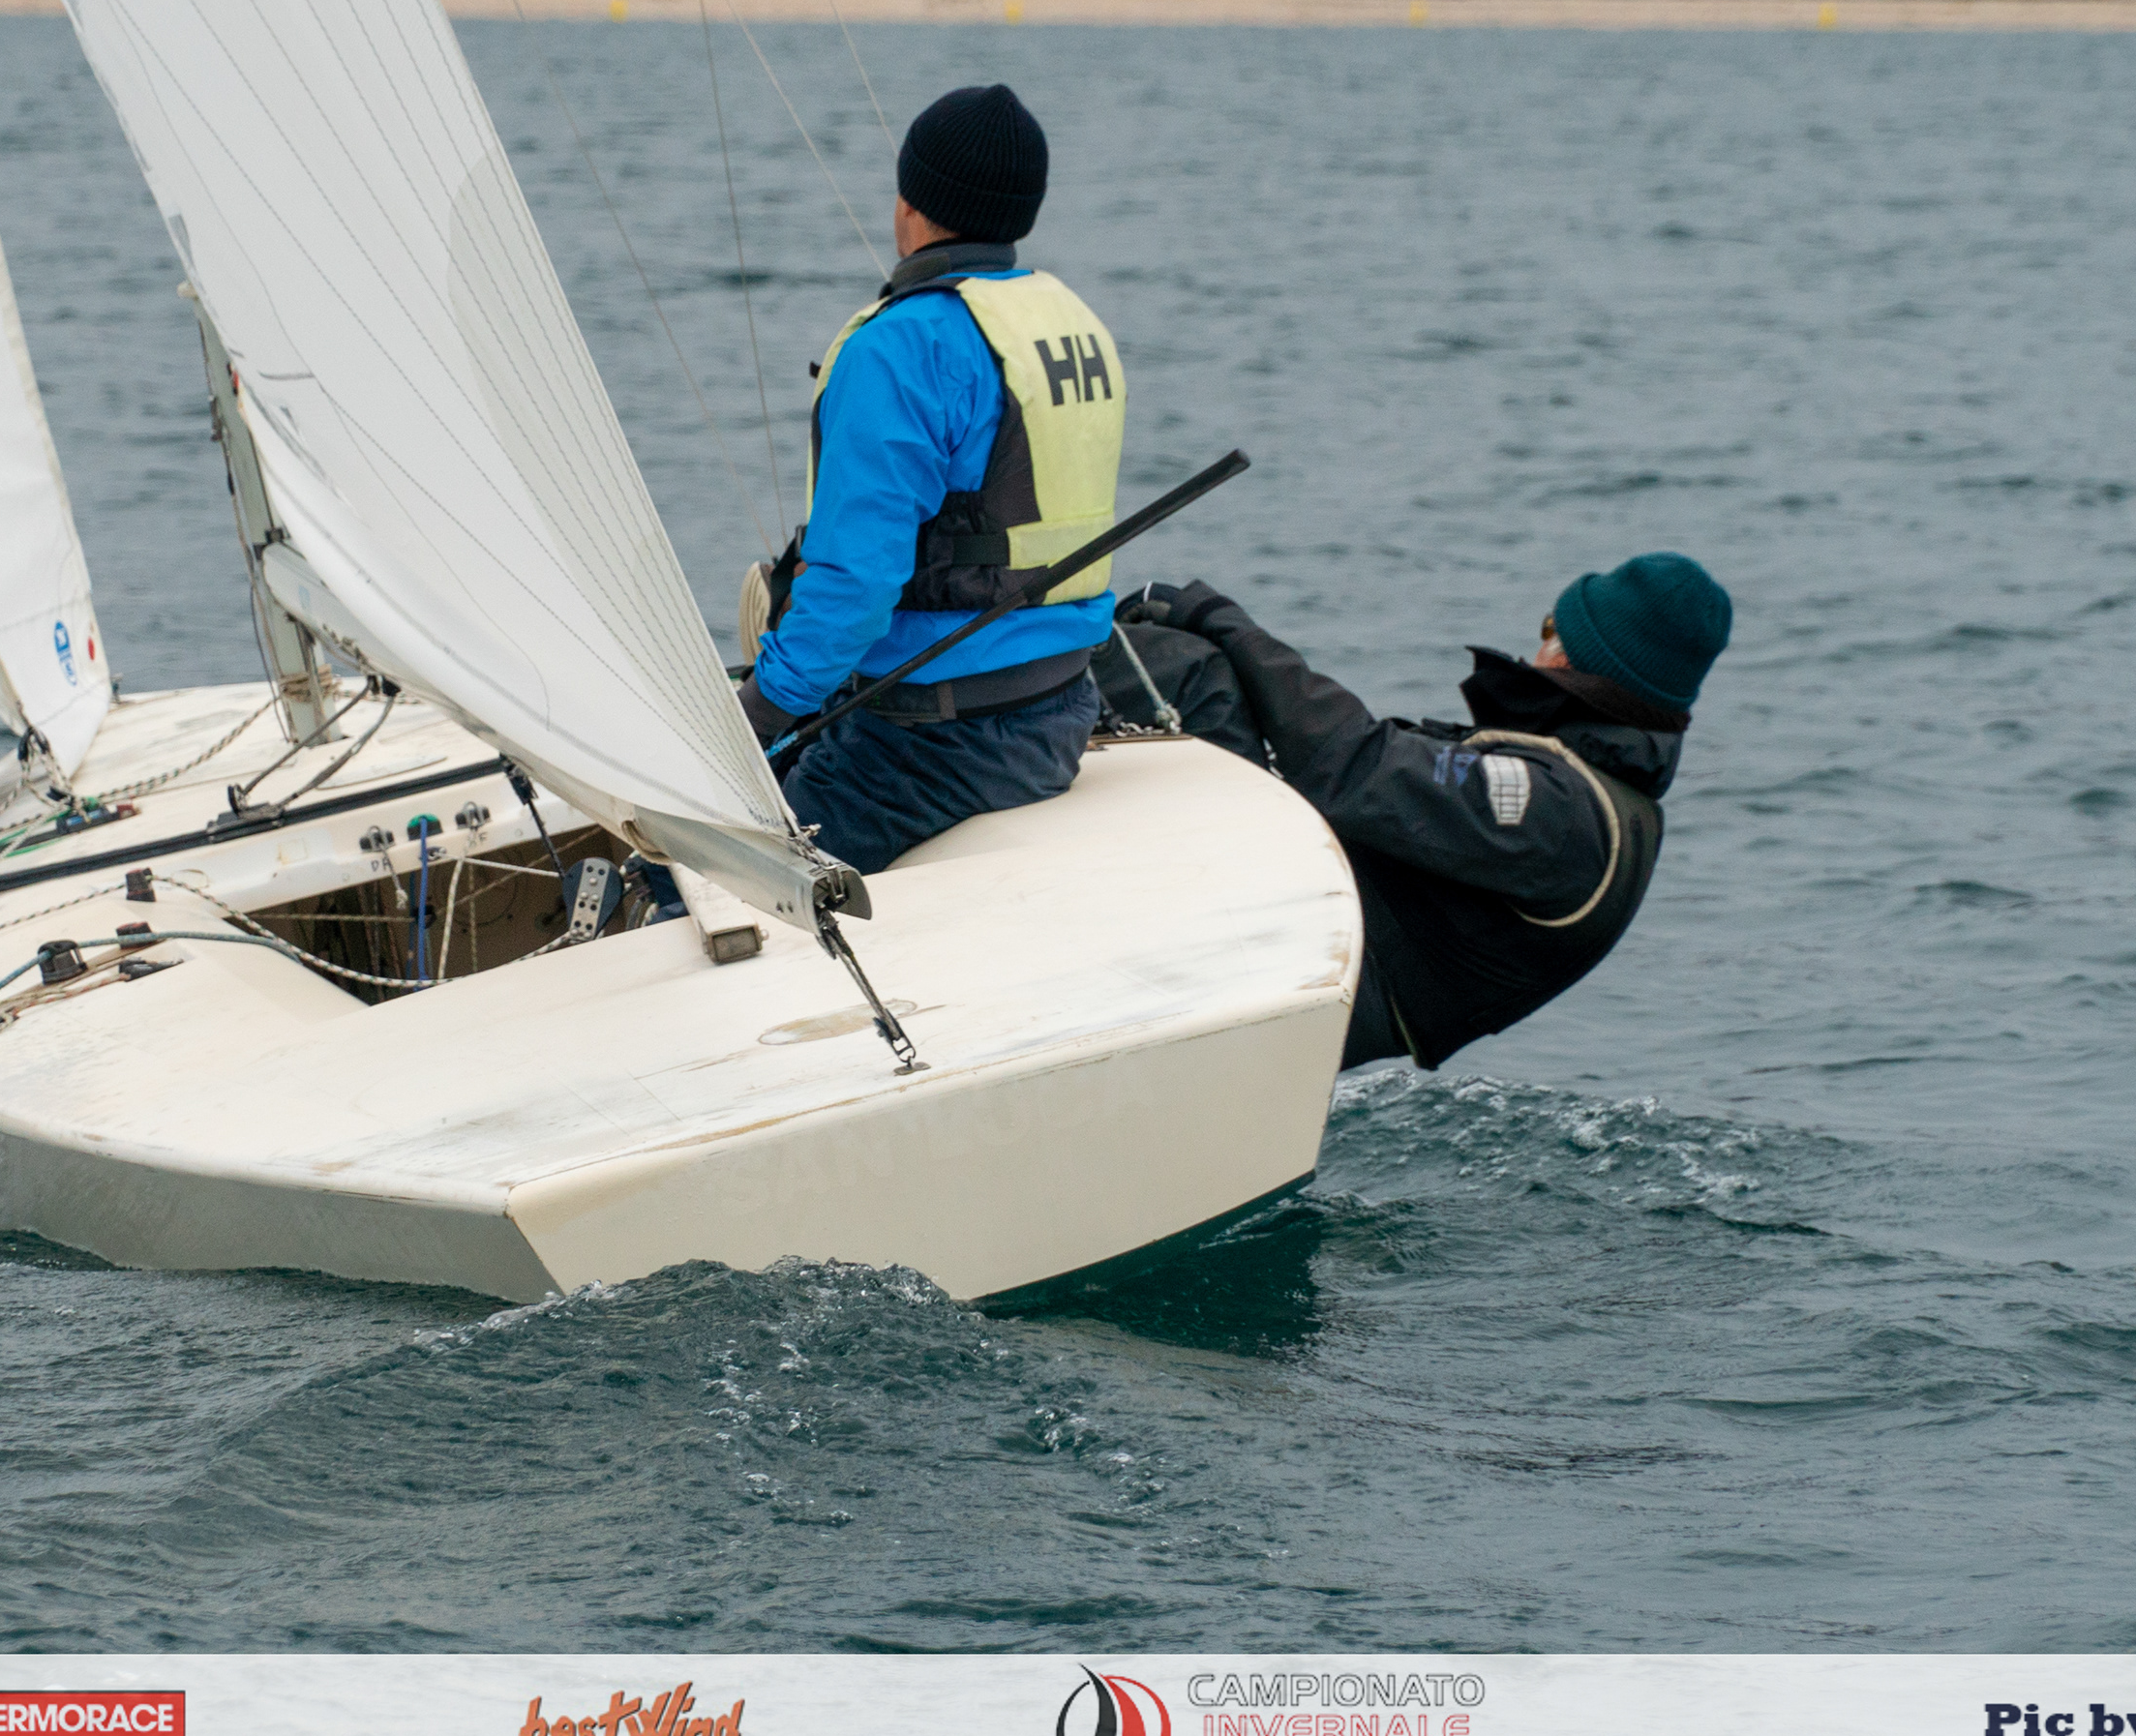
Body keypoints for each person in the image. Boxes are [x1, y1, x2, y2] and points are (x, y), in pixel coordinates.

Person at [1092, 554, 1731, 1070]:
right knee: (1206, 675)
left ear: (1567, 657)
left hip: (1296, 981)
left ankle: (1008, 737)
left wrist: (1220, 618)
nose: (1537, 648)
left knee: (1190, 671)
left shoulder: (1559, 813)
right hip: (1305, 950)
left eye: (1547, 629)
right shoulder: (1593, 789)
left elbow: (1350, 766)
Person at [735, 84, 1127, 876]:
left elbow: (854, 585)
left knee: (704, 879)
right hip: (1061, 709)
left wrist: (752, 718)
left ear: (910, 206)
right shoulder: (1068, 322)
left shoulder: (902, 348)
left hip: (933, 744)